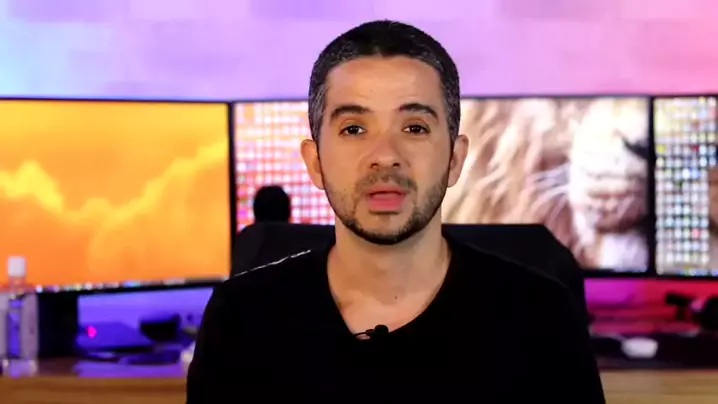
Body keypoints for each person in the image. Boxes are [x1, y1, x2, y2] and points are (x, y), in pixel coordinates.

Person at [187, 20, 605, 403]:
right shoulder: (241, 320)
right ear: (315, 163)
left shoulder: (542, 317)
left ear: (455, 160)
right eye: (354, 129)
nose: (385, 155)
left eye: (414, 128)